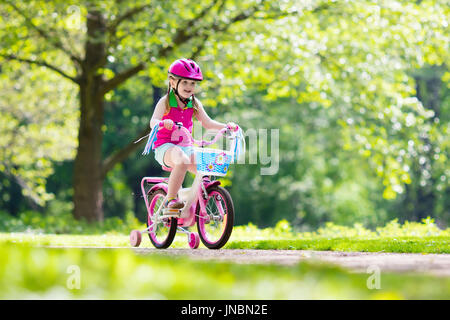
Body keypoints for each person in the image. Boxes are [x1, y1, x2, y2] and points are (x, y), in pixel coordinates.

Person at [149, 58, 237, 212]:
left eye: (193, 83)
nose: (189, 87)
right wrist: (163, 123)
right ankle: (170, 200)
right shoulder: (165, 102)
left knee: (206, 167)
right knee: (182, 160)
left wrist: (226, 128)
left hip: (186, 147)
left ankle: (193, 202)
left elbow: (208, 123)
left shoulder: (194, 103)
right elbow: (153, 121)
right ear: (172, 82)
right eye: (184, 83)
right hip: (165, 147)